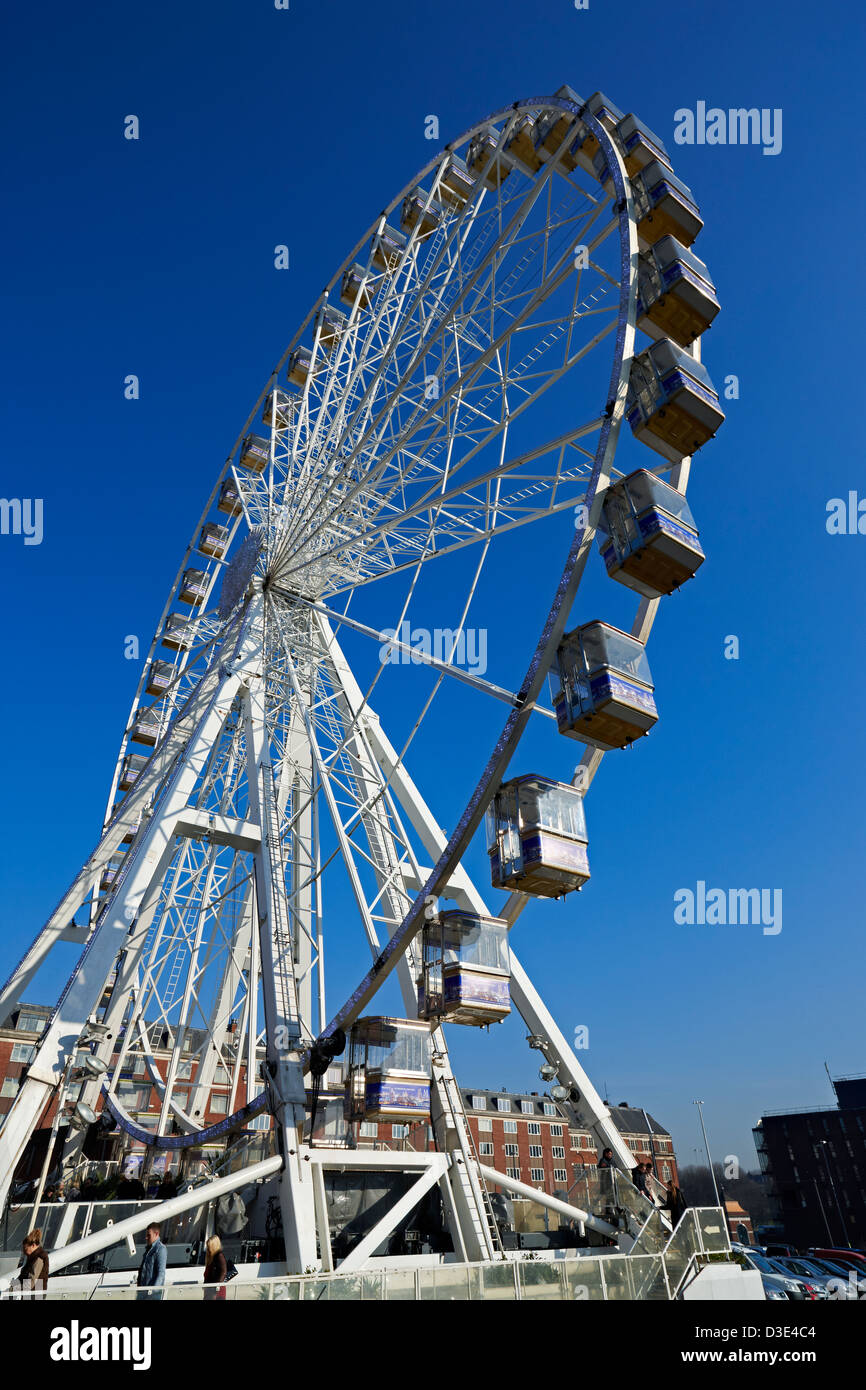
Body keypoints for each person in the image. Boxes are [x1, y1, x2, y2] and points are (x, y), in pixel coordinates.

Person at [12, 1230, 50, 1299]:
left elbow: (31, 1281)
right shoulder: (33, 1257)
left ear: (33, 1245)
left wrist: (15, 1288)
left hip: (35, 1295)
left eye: (25, 1249)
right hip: (31, 1294)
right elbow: (24, 1275)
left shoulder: (39, 1258)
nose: (24, 1252)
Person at [137, 1222, 167, 1301]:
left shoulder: (161, 1249)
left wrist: (152, 1292)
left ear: (156, 1234)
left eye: (149, 1235)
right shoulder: (148, 1249)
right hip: (142, 1293)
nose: (146, 1238)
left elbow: (161, 1273)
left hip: (151, 1295)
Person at [203, 1235, 227, 1301]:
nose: (208, 1248)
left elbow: (224, 1271)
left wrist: (217, 1285)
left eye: (209, 1246)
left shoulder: (219, 1256)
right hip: (211, 1287)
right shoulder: (211, 1257)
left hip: (216, 1289)